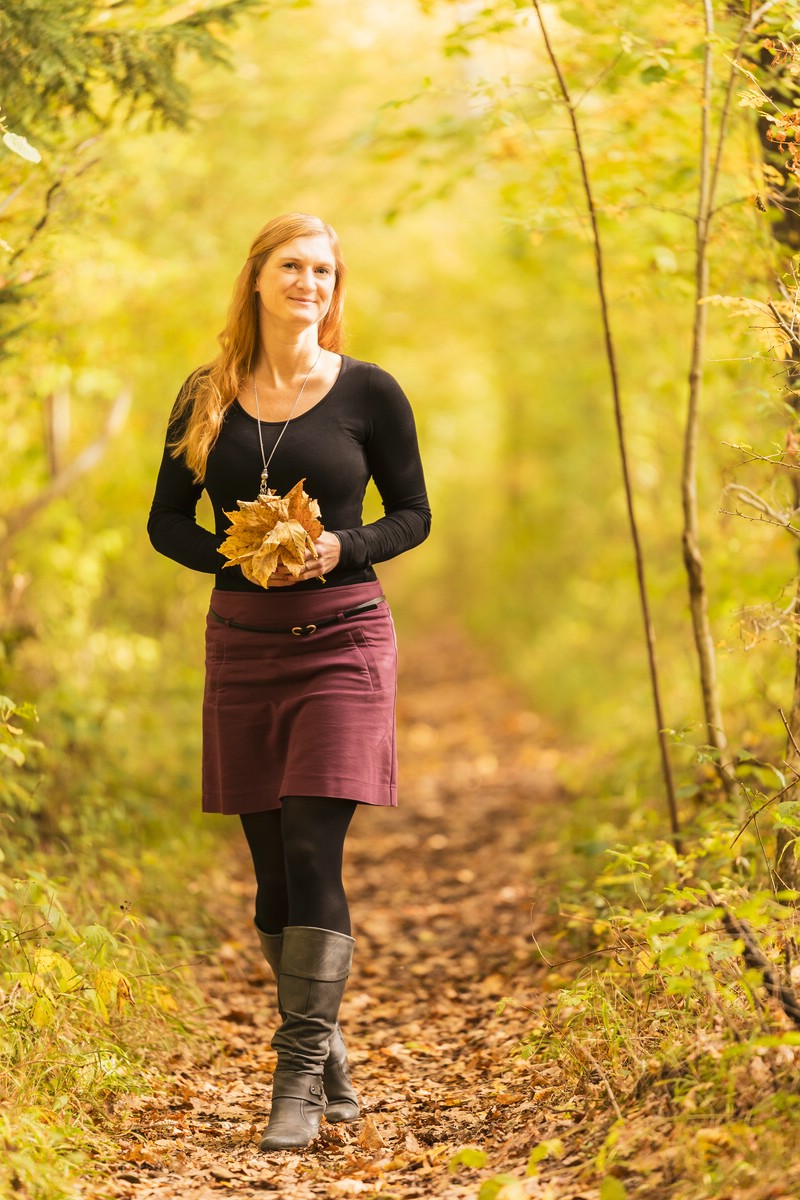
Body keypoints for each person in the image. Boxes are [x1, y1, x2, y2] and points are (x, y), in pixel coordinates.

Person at [147, 213, 431, 1152]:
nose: (310, 281)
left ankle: (294, 1079)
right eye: (292, 266)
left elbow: (414, 514)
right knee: (271, 875)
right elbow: (165, 524)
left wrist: (341, 546)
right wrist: (237, 560)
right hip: (244, 642)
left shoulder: (371, 392)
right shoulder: (206, 395)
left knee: (314, 849)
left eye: (324, 269)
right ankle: (328, 1051)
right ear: (258, 280)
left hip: (344, 639)